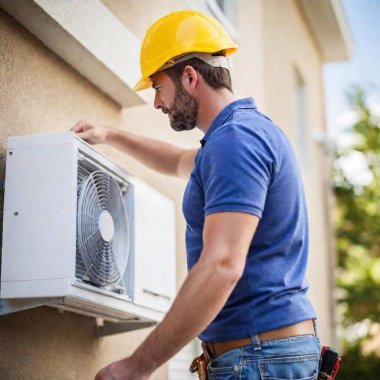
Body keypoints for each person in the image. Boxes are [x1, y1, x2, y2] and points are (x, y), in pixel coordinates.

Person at [72, 10, 320, 380]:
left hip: (259, 358)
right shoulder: (238, 137)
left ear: (189, 77)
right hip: (263, 354)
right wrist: (110, 134)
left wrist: (136, 367)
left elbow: (222, 265)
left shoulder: (235, 141)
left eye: (157, 87)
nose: (157, 103)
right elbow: (177, 161)